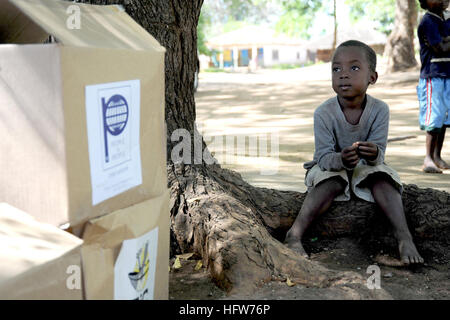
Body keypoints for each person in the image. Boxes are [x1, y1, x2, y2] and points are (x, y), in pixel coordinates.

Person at [284, 40, 424, 265]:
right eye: (336, 69)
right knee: (332, 181)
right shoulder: (323, 113)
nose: (343, 75)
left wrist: (372, 152)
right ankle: (295, 234)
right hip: (329, 167)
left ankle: (403, 236)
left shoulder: (379, 110)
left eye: (354, 68)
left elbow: (380, 156)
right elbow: (323, 157)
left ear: (373, 77)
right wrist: (340, 158)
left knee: (383, 177)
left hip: (365, 168)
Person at [417, 0, 450, 173]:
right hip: (433, 76)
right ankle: (428, 159)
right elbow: (441, 48)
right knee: (434, 118)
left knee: (444, 118)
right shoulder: (428, 21)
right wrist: (445, 41)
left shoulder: (447, 18)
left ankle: (437, 156)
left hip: (447, 75)